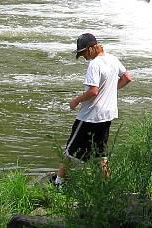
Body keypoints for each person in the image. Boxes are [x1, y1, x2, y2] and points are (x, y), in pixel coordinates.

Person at [53, 33, 132, 186]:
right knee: (100, 154)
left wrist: (76, 101)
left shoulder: (95, 64)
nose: (83, 56)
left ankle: (58, 183)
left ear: (91, 48)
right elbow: (127, 78)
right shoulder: (113, 59)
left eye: (83, 53)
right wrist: (111, 91)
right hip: (107, 116)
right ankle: (108, 186)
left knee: (70, 151)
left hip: (89, 117)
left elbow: (93, 91)